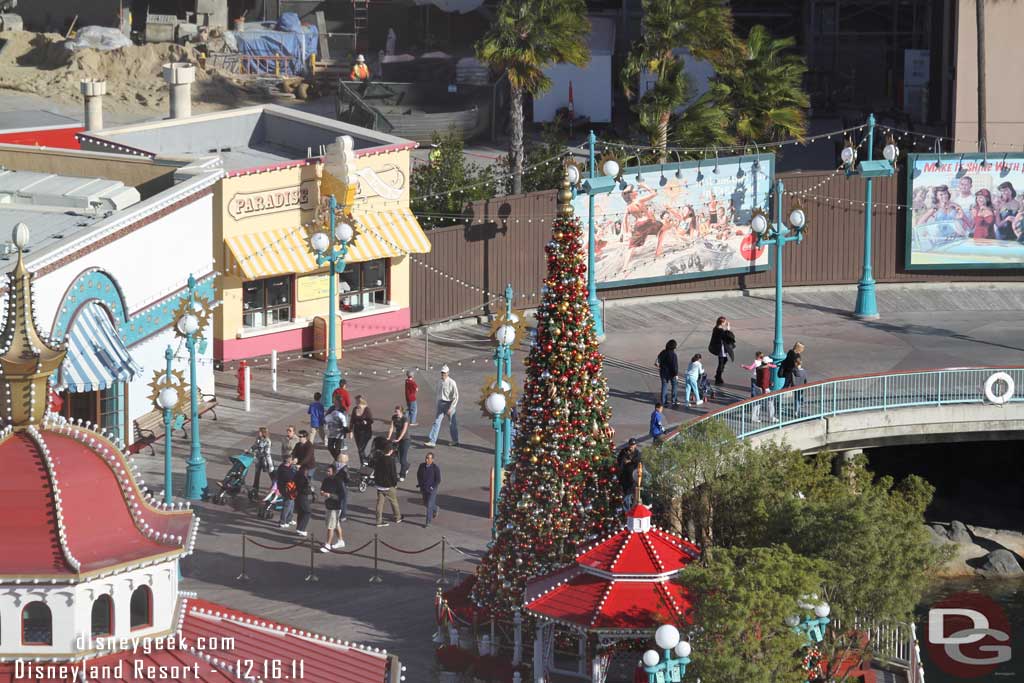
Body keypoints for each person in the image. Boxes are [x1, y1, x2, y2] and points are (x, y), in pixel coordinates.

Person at [425, 365, 459, 448]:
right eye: (442, 373)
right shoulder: (439, 381)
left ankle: (455, 440)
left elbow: (456, 396)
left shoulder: (452, 382)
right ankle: (432, 441)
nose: (443, 374)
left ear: (448, 373)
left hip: (449, 403)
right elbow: (438, 393)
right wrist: (438, 403)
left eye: (444, 373)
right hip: (441, 403)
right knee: (437, 422)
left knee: (452, 424)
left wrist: (451, 408)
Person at [371, 437, 403, 527]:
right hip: (388, 485)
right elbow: (393, 474)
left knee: (380, 503)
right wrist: (395, 484)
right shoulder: (391, 461)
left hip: (379, 485)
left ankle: (378, 521)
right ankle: (397, 517)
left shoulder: (379, 458)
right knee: (394, 501)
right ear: (391, 451)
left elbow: (376, 470)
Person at [319, 463, 347, 551]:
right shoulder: (326, 480)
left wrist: (330, 495)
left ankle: (328, 544)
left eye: (329, 471)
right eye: (327, 471)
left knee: (330, 526)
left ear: (334, 472)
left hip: (335, 507)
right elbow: (322, 488)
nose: (327, 472)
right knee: (336, 524)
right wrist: (322, 492)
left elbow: (342, 495)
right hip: (328, 505)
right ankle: (340, 541)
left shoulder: (338, 481)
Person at [707, 316, 736, 385]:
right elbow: (728, 336)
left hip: (719, 348)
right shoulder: (720, 330)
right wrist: (728, 329)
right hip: (720, 349)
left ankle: (718, 375)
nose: (725, 323)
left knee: (724, 360)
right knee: (721, 363)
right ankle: (718, 377)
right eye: (725, 322)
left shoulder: (716, 328)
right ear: (722, 323)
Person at [416, 452, 441, 526]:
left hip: (432, 489)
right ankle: (436, 508)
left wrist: (432, 487)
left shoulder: (435, 468)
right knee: (426, 503)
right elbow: (418, 475)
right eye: (426, 458)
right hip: (424, 488)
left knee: (429, 505)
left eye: (428, 458)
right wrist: (420, 484)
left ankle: (428, 522)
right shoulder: (421, 466)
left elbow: (438, 480)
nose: (426, 459)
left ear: (432, 459)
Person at [387, 405, 411, 481]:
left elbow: (404, 430)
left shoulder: (405, 419)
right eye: (395, 411)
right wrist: (388, 437)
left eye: (397, 411)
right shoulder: (394, 417)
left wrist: (399, 439)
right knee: (397, 457)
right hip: (397, 439)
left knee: (403, 459)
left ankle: (402, 475)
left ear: (401, 412)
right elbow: (391, 427)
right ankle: (407, 466)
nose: (395, 413)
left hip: (405, 440)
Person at [248, 427, 273, 495]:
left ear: (263, 433)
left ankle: (275, 486)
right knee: (257, 474)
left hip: (265, 460)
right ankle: (255, 488)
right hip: (259, 459)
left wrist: (256, 453)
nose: (258, 433)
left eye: (259, 432)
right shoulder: (258, 439)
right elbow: (254, 446)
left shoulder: (268, 441)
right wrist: (249, 450)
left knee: (270, 473)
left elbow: (267, 452)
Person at [350, 396, 374, 466]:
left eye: (357, 401)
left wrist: (366, 422)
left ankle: (366, 461)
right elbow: (352, 421)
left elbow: (371, 420)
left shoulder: (367, 409)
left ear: (361, 401)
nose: (356, 403)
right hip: (357, 432)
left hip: (365, 432)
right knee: (360, 450)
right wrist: (350, 431)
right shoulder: (355, 409)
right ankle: (363, 464)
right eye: (356, 401)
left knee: (361, 449)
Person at [655, 340, 680, 408]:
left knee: (664, 387)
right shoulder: (673, 355)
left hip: (663, 372)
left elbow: (657, 361)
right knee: (674, 386)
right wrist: (676, 374)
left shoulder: (663, 352)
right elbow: (675, 366)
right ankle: (674, 400)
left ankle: (664, 401)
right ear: (674, 347)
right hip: (672, 374)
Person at [752, 356, 777, 423]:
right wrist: (765, 389)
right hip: (764, 388)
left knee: (757, 403)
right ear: (767, 363)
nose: (770, 364)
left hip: (757, 386)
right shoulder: (766, 371)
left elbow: (762, 379)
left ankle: (754, 418)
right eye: (769, 363)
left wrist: (769, 383)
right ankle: (771, 418)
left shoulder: (758, 368)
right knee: (770, 403)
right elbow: (764, 381)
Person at [276, 454, 298, 527]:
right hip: (287, 490)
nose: (292, 460)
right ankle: (282, 521)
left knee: (291, 505)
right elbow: (291, 477)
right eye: (291, 459)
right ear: (289, 461)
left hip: (291, 489)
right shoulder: (284, 470)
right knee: (287, 505)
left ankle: (289, 519)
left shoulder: (284, 467)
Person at [293, 466, 314, 536]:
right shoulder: (302, 478)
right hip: (302, 497)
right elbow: (304, 490)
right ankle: (301, 529)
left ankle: (299, 528)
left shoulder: (297, 476)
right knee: (307, 512)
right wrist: (311, 490)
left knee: (301, 512)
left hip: (297, 496)